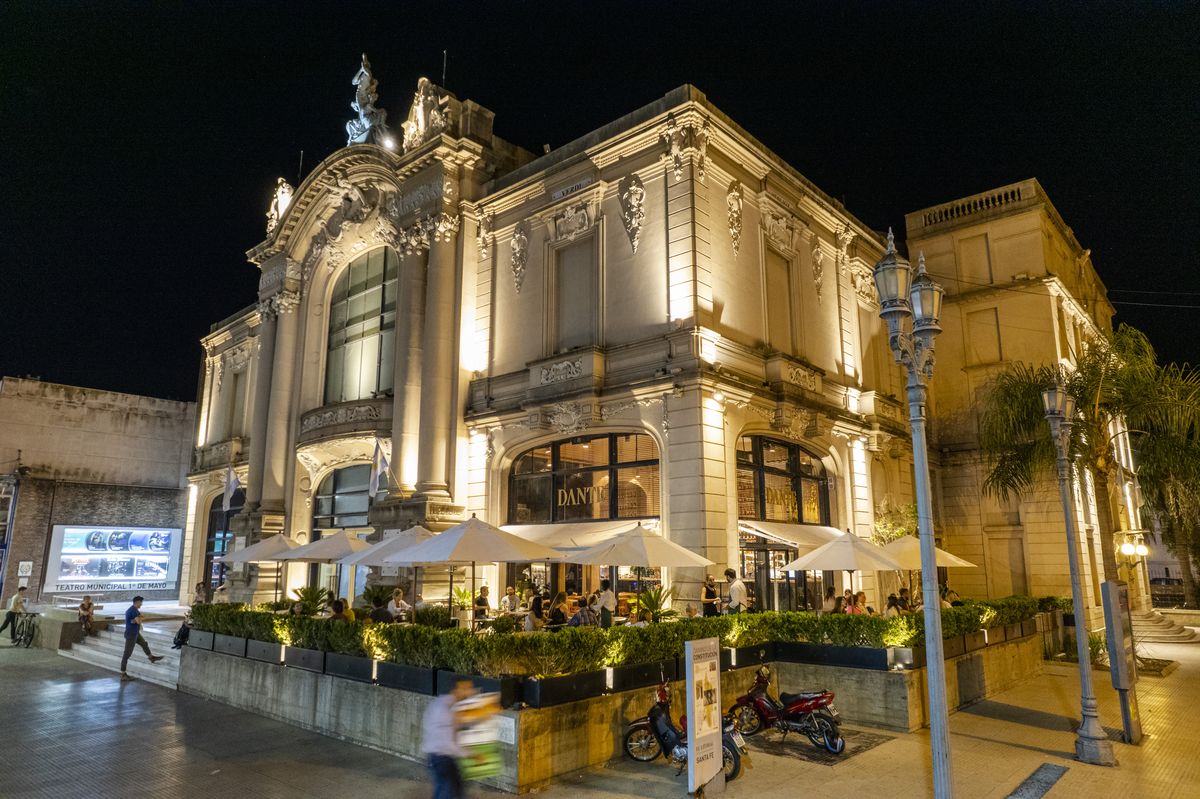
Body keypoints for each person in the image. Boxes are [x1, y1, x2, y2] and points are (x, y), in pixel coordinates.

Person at [420, 678, 500, 799]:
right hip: (442, 759)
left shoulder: (444, 704)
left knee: (448, 791)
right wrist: (473, 755)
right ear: (456, 690)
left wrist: (485, 715)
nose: (470, 692)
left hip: (440, 758)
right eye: (466, 689)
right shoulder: (444, 710)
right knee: (449, 793)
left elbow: (461, 723)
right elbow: (449, 745)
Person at [120, 596, 163, 680]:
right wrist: (138, 619)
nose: (141, 604)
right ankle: (123, 674)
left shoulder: (135, 610)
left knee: (144, 643)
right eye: (141, 602)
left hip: (135, 633)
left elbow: (140, 619)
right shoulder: (133, 610)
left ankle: (151, 657)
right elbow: (139, 621)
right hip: (131, 634)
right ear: (136, 602)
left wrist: (137, 619)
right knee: (127, 654)